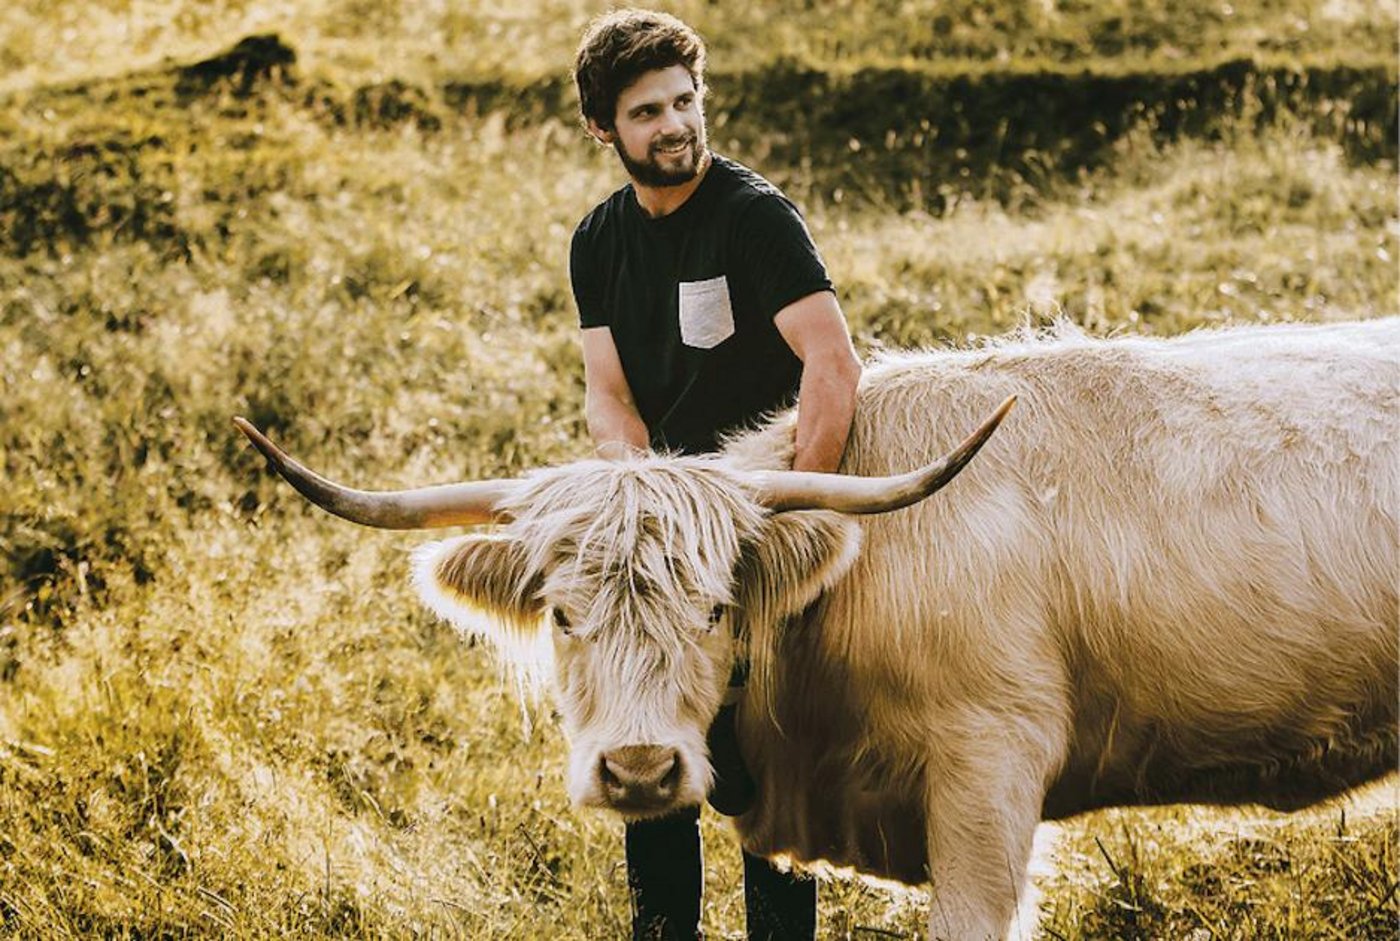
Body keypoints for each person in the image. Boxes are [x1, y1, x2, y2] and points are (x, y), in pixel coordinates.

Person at [568, 9, 862, 940]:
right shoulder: (597, 241)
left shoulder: (753, 218)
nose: (675, 125)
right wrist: (640, 508)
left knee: (760, 770)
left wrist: (794, 512)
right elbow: (608, 393)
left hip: (753, 520)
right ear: (603, 129)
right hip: (666, 537)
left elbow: (831, 364)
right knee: (647, 745)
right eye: (647, 111)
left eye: (685, 101)